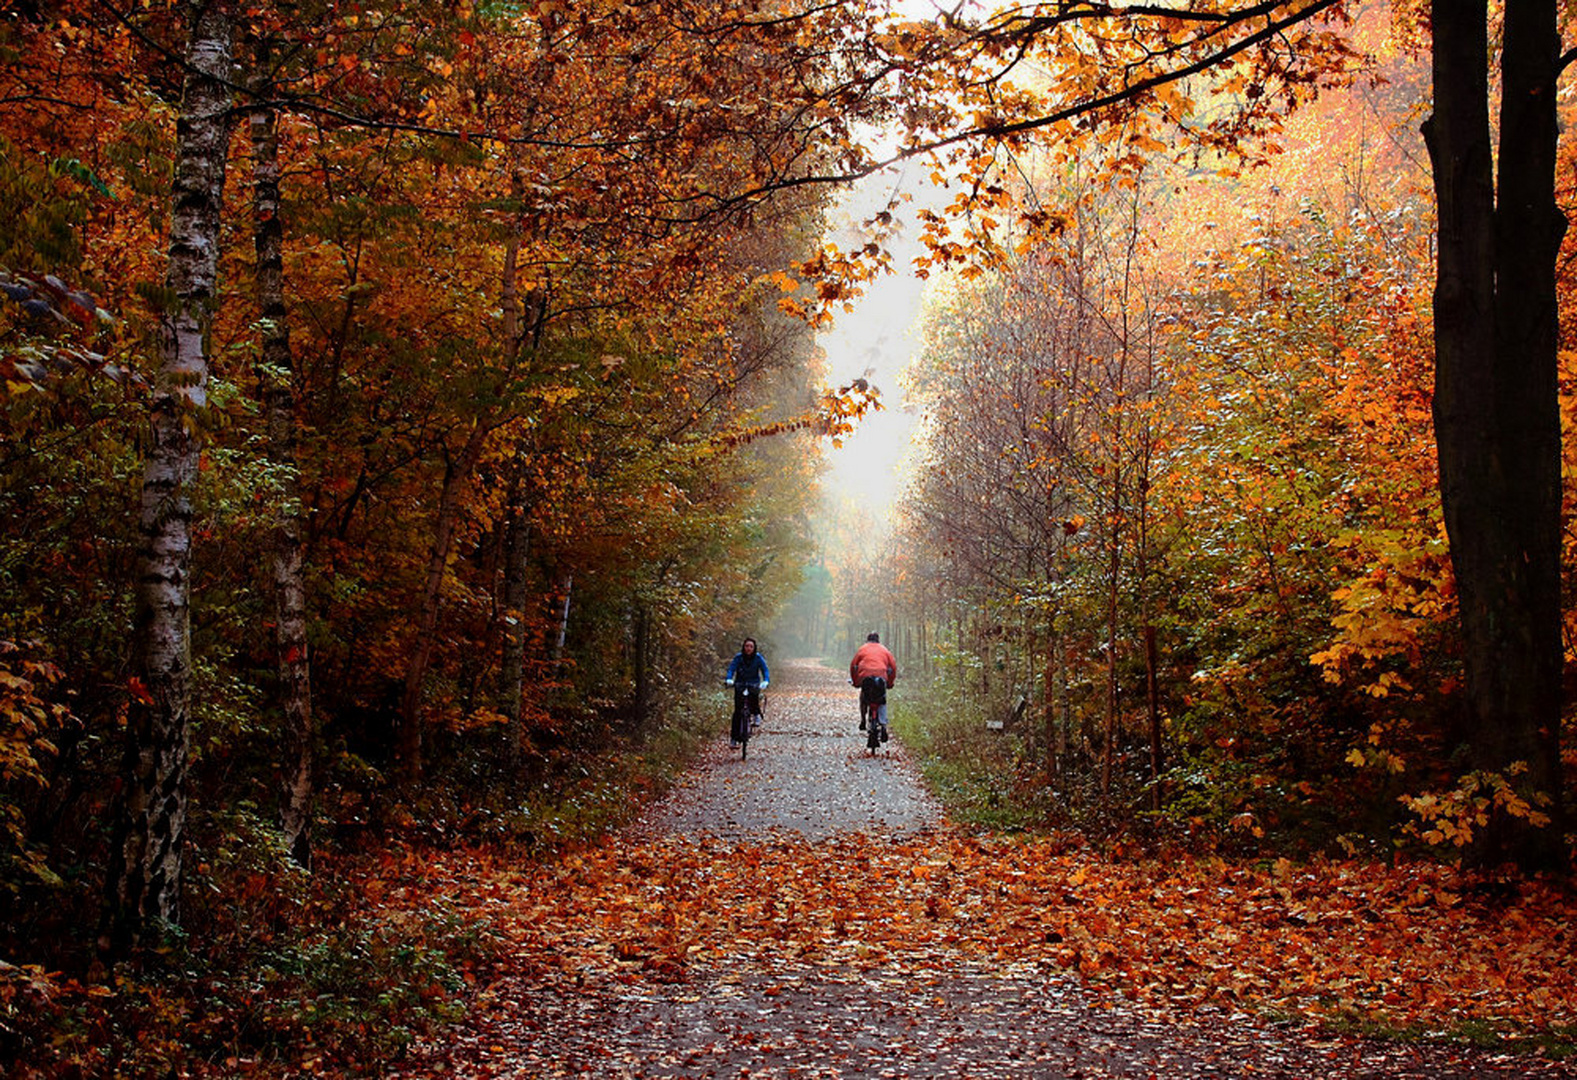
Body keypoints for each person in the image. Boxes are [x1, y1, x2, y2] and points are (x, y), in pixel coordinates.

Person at [849, 631, 897, 741]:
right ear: (878, 640)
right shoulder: (884, 650)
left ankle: (863, 721)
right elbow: (893, 667)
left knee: (864, 698)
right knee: (882, 700)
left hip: (865, 678)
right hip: (881, 678)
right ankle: (883, 725)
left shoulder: (862, 649)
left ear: (867, 640)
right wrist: (890, 682)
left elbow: (853, 666)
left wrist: (855, 681)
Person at [725, 637, 770, 744]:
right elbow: (731, 669)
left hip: (753, 683)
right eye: (747, 646)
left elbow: (765, 670)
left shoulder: (758, 658)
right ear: (743, 647)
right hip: (740, 683)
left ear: (754, 648)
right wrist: (729, 679)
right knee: (737, 712)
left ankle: (756, 713)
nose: (748, 648)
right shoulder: (738, 657)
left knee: (754, 698)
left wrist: (766, 681)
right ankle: (734, 738)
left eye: (751, 646)